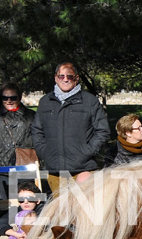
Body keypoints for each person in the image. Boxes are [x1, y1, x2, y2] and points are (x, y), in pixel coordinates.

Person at [31, 62, 110, 191]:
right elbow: (37, 130)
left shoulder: (89, 101)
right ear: (56, 78)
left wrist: (86, 152)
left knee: (85, 209)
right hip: (54, 170)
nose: (65, 79)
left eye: (70, 76)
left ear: (77, 78)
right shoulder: (45, 102)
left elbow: (102, 131)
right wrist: (45, 152)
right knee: (59, 210)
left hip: (83, 169)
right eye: (61, 76)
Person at [0, 82, 36, 201]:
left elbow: (39, 137)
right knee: (3, 202)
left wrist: (36, 155)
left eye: (13, 98)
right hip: (0, 164)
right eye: (5, 98)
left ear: (19, 98)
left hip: (24, 163)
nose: (9, 101)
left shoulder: (31, 115)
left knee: (26, 200)